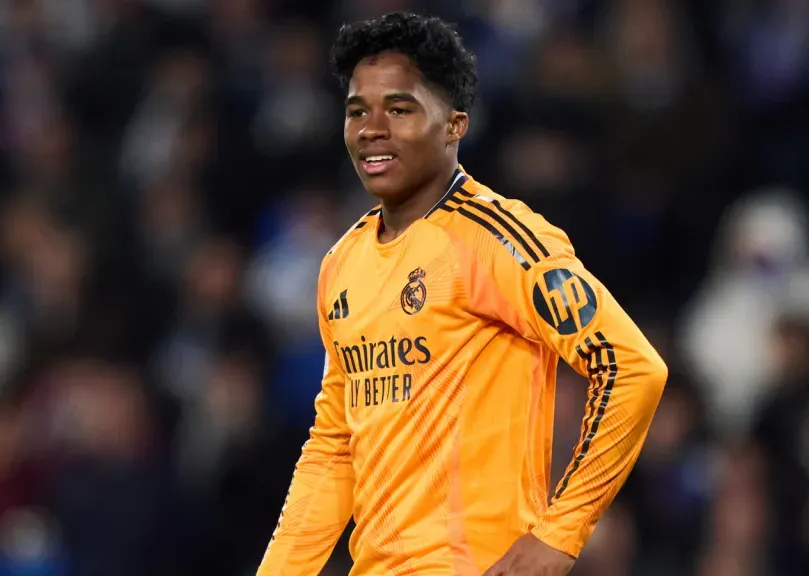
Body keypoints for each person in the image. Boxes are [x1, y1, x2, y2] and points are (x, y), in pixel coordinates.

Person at [258, 11, 668, 575]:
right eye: (358, 111)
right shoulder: (341, 265)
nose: (372, 128)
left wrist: (560, 532)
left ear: (454, 126)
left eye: (399, 108)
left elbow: (630, 367)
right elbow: (334, 447)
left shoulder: (498, 240)